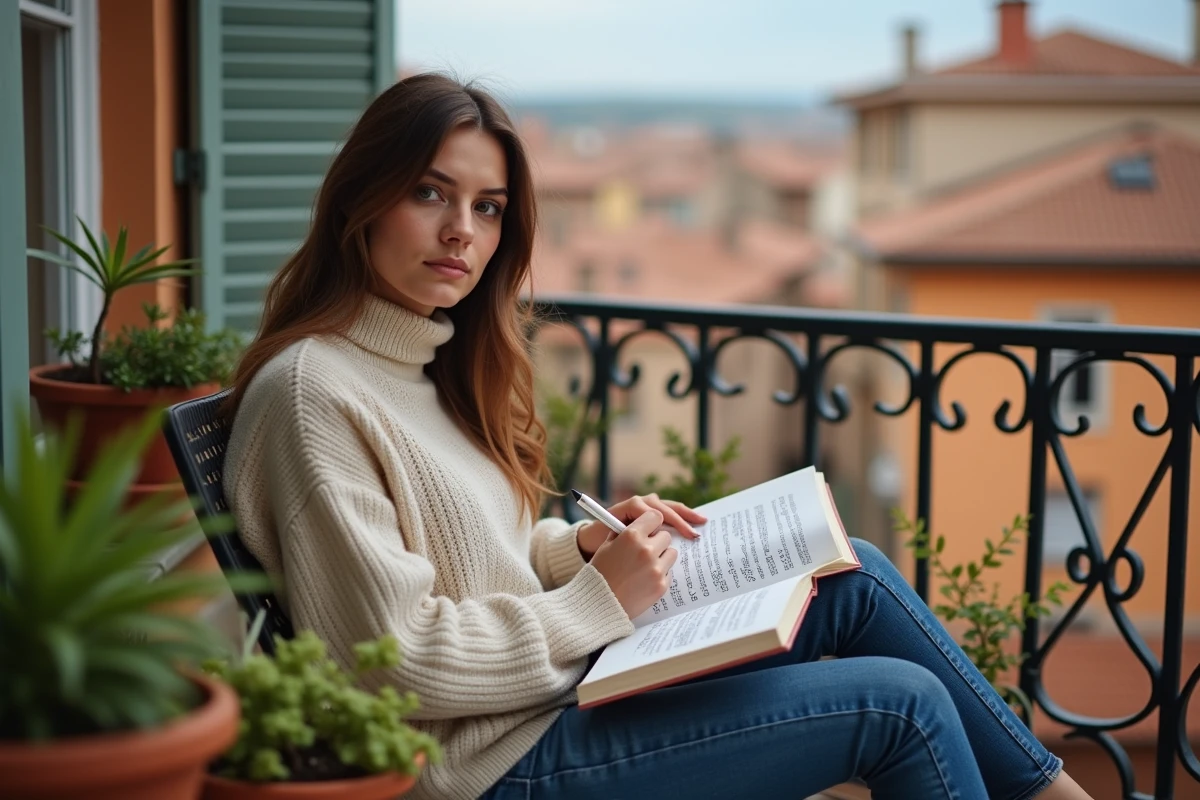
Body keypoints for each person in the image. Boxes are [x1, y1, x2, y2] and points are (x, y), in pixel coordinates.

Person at [224, 73, 1094, 800]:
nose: (463, 231)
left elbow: (474, 555)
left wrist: (580, 549)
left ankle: (1054, 794)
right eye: (430, 193)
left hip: (551, 699)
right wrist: (599, 601)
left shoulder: (421, 364)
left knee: (852, 573)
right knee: (900, 706)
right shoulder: (316, 395)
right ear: (363, 200)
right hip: (482, 768)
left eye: (488, 208)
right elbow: (394, 662)